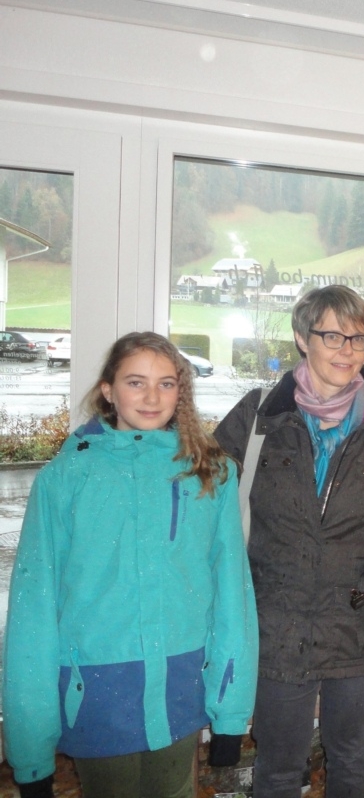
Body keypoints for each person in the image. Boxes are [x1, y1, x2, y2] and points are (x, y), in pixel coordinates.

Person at [2, 331, 257, 798]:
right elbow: (32, 613)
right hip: (97, 692)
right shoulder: (65, 479)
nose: (152, 397)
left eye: (166, 383)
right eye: (136, 382)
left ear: (181, 392)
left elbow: (232, 595)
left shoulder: (209, 475)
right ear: (108, 390)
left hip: (180, 685)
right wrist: (30, 750)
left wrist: (230, 712)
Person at [214, 285, 364, 798]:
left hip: (358, 624)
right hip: (277, 623)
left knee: (352, 755)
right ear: (300, 337)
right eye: (332, 335)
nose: (347, 350)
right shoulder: (258, 416)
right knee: (279, 766)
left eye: (358, 338)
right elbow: (205, 504)